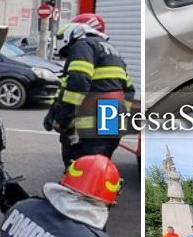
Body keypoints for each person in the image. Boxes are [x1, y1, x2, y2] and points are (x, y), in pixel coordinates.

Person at [44, 16, 134, 167]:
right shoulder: (112, 51)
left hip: (90, 121)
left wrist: (63, 119)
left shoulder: (83, 45)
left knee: (81, 169)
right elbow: (129, 90)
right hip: (112, 119)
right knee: (98, 167)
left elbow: (77, 82)